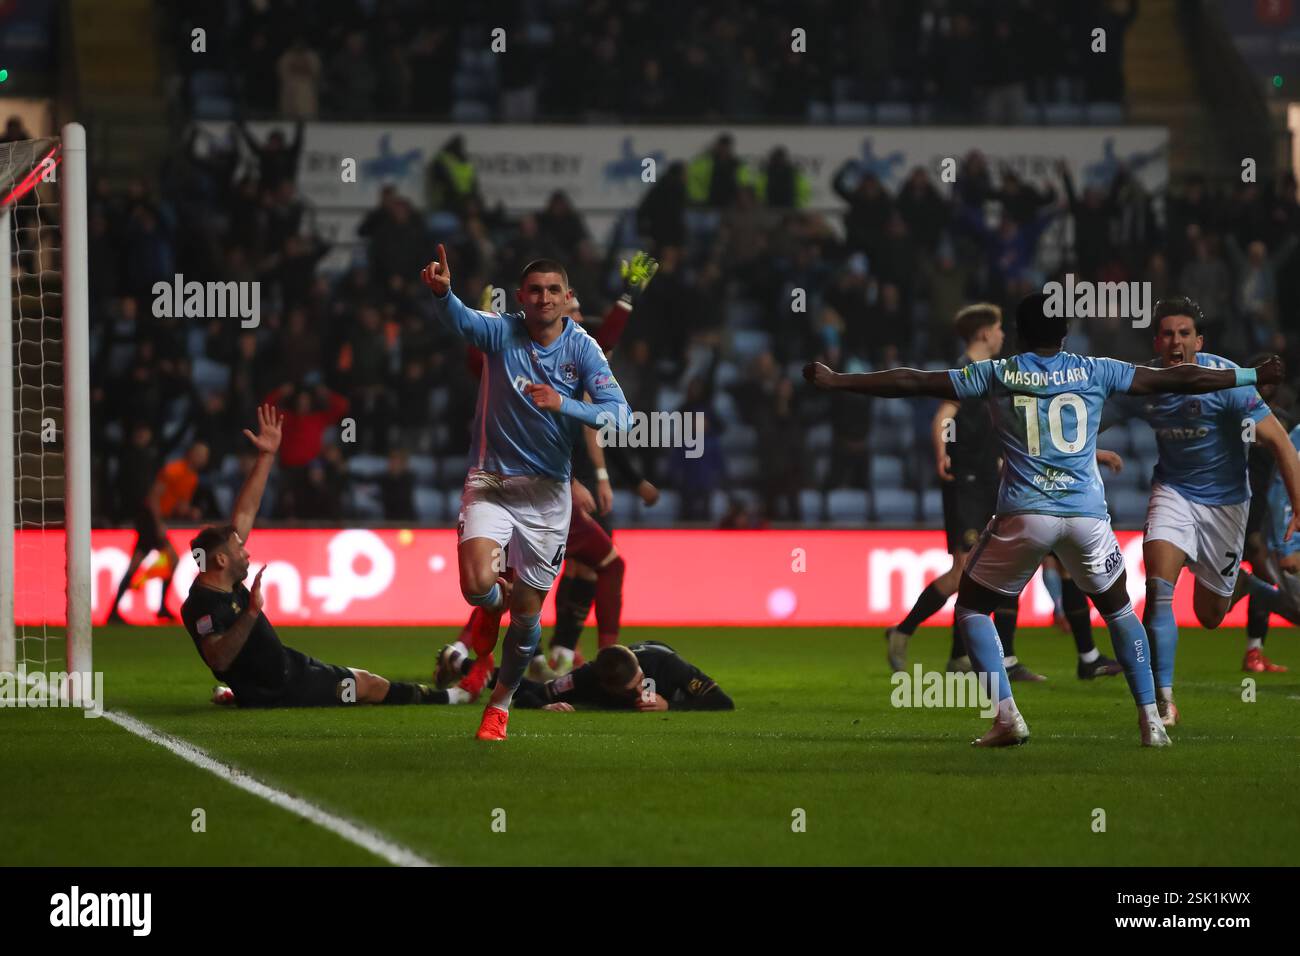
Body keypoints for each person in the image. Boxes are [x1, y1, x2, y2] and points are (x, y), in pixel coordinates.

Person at [804, 292, 1286, 748]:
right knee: (1119, 611)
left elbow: (911, 381)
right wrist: (1247, 375)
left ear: (1017, 333)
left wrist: (838, 381)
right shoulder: (1098, 370)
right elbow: (1179, 378)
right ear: (1065, 335)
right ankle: (1151, 720)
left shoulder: (998, 373)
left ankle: (1007, 717)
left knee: (972, 609)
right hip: (1086, 518)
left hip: (1025, 514)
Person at [422, 245, 632, 741]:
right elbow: (464, 323)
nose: (543, 298)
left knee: (527, 620)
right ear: (521, 297)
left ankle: (500, 705)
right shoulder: (502, 332)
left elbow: (620, 415)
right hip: (492, 480)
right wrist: (443, 294)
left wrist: (564, 403)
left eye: (553, 290)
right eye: (534, 290)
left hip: (547, 495)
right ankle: (490, 603)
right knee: (476, 586)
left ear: (568, 298)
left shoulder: (582, 348)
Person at [885, 304, 1123, 680]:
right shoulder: (971, 370)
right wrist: (944, 450)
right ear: (983, 333)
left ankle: (968, 657)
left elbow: (1030, 431)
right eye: (997, 329)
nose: (1002, 336)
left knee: (994, 571)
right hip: (966, 483)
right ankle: (905, 629)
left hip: (993, 482)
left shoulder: (1005, 375)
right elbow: (943, 416)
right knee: (965, 572)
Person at [1101, 297, 1300, 725]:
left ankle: (1242, 585)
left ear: (1199, 341)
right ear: (1157, 341)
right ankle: (1163, 701)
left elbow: (1281, 442)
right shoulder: (1146, 382)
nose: (1176, 341)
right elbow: (1086, 423)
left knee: (1211, 616)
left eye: (1184, 334)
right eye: (1168, 334)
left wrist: (1299, 509)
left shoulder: (1225, 381)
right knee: (1159, 590)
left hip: (1227, 505)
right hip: (1172, 492)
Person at [181, 406, 462, 708]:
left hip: (286, 667)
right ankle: (450, 697)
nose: (246, 550)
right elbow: (219, 659)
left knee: (356, 678)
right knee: (366, 684)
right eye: (239, 547)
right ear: (221, 560)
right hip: (285, 689)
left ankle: (240, 695)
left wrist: (266, 456)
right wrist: (250, 613)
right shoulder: (202, 606)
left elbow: (246, 510)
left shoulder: (226, 581)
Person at [106, 442, 210, 624]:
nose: (202, 458)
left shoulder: (191, 478)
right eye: (199, 454)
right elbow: (153, 497)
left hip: (153, 520)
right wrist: (158, 524)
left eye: (204, 455)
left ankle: (114, 611)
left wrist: (190, 512)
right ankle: (159, 608)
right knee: (172, 559)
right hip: (149, 519)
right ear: (190, 454)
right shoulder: (174, 470)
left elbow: (179, 504)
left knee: (140, 564)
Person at [484, 642, 733, 712]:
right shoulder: (586, 677)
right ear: (606, 687)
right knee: (535, 685)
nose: (639, 693)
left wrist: (671, 705)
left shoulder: (666, 665)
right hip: (589, 686)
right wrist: (546, 705)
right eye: (630, 690)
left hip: (668, 684)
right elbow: (531, 696)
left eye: (640, 681)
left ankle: (469, 669)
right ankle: (470, 669)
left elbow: (722, 701)